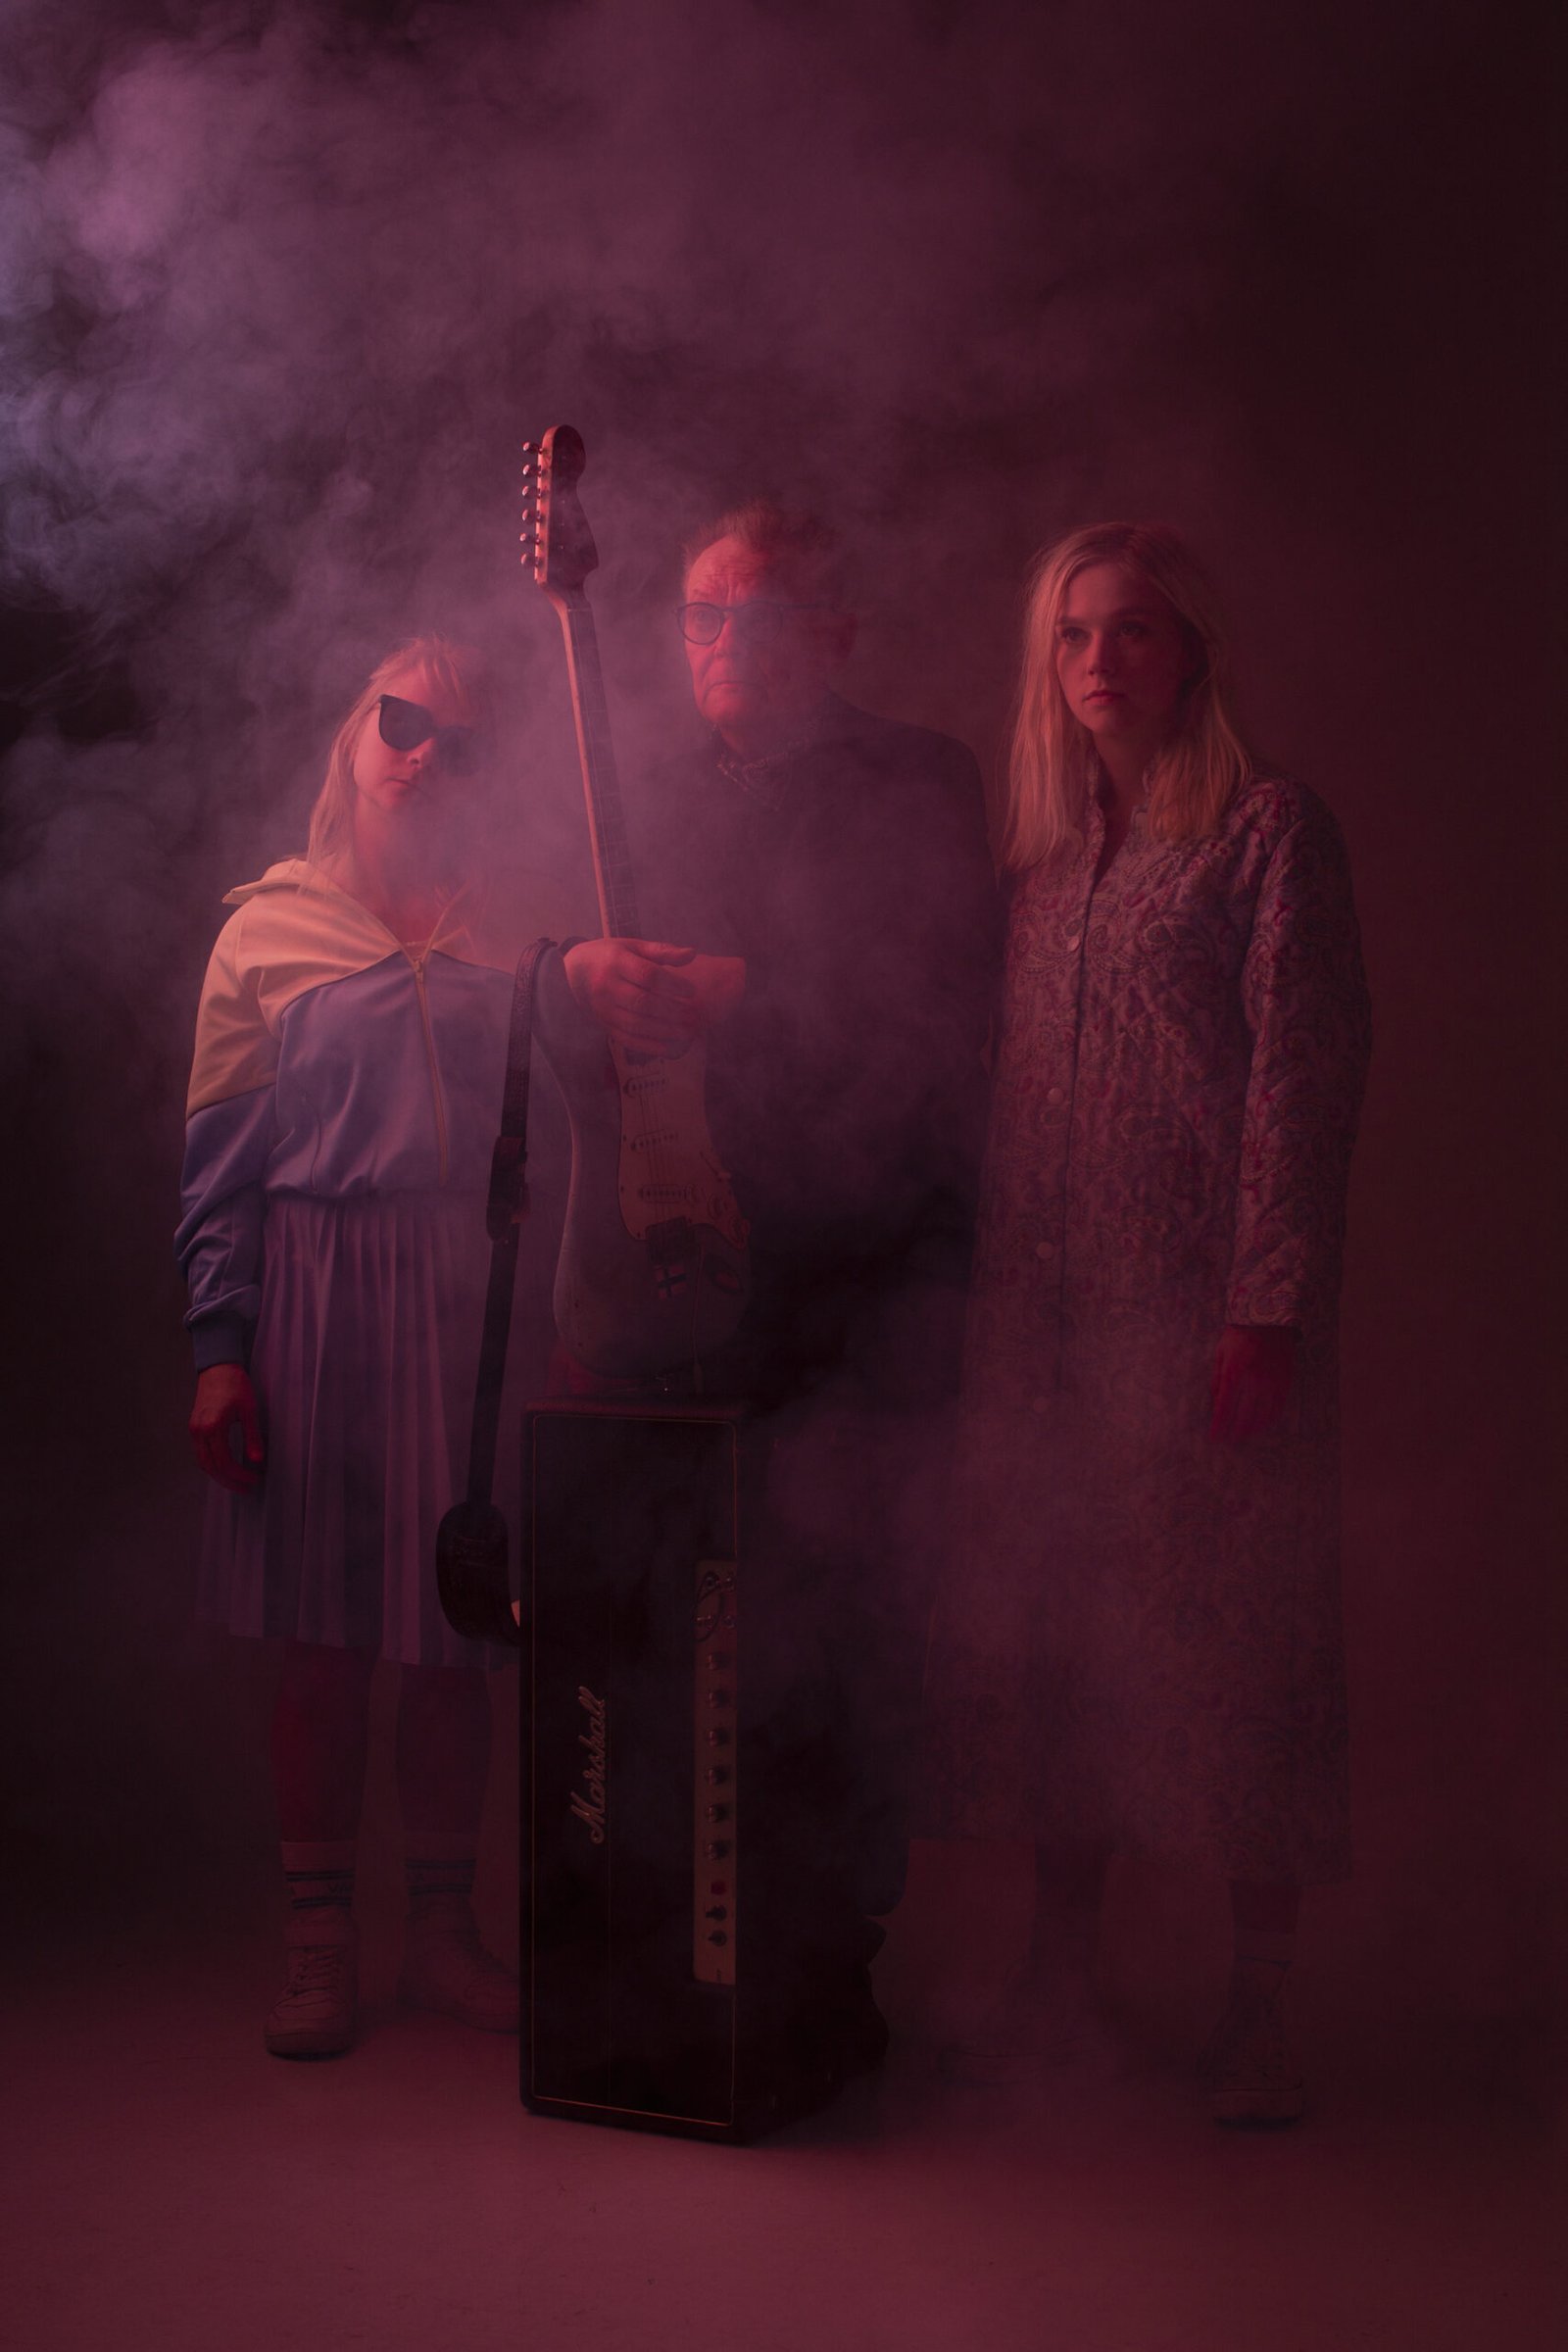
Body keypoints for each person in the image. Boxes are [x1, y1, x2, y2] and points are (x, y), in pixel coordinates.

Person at [538, 501, 1001, 2060]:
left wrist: (751, 993)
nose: (720, 642)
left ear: (835, 632)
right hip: (687, 1274)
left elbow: (948, 1000)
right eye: (699, 615)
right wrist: (577, 979)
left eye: (756, 613)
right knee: (686, 1619)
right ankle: (687, 1969)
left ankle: (827, 1975)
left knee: (853, 1623)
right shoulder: (643, 795)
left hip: (868, 1277)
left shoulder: (920, 776)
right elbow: (556, 1004)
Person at [923, 522, 1370, 2123]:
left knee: (1248, 1656)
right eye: (1072, 634)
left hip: (1199, 1326)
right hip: (1043, 1332)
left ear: (1190, 653)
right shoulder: (1041, 871)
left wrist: (1268, 1309)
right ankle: (1059, 1980)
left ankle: (1263, 2008)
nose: (1099, 660)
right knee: (1062, 1650)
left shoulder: (1266, 832)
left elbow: (1302, 1087)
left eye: (1132, 630)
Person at [177, 636, 572, 2059]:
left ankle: (443, 1937)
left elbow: (578, 1137)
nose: (423, 753)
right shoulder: (265, 930)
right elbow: (219, 1166)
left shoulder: (522, 925)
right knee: (323, 1646)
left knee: (457, 1642)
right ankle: (320, 1938)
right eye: (402, 720)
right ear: (355, 733)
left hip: (473, 1299)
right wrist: (221, 1345)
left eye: (460, 741)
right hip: (313, 1291)